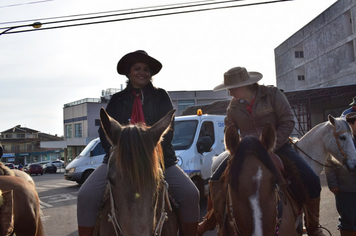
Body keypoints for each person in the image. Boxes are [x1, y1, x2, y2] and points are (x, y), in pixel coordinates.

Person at [76, 50, 200, 236]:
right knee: (86, 195)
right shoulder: (117, 99)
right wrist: (120, 152)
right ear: (128, 73)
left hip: (159, 160)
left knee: (191, 194)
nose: (142, 72)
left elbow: (169, 130)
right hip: (120, 161)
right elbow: (105, 130)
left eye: (146, 69)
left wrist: (149, 152)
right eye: (137, 68)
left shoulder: (161, 96)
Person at [198, 66, 325, 236]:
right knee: (215, 181)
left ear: (245, 85)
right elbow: (230, 128)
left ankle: (313, 227)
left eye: (231, 89)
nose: (229, 93)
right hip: (246, 152)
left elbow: (287, 121)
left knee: (311, 179)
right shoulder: (233, 106)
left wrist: (270, 145)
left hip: (277, 147)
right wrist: (235, 145)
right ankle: (212, 222)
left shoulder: (273, 95)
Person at [325, 112, 356, 236]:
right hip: (345, 188)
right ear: (350, 124)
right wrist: (333, 184)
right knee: (347, 220)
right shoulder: (340, 141)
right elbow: (329, 163)